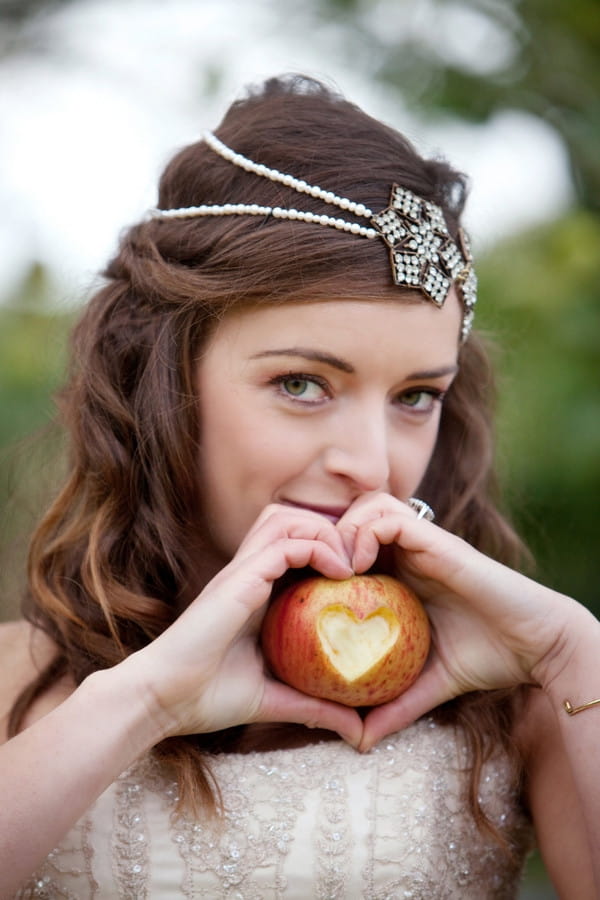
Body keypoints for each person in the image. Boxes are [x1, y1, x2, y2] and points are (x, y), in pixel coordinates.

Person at [1, 74, 598, 899]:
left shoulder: (516, 694)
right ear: (163, 382)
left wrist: (577, 655)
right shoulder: (16, 683)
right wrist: (142, 701)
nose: (374, 463)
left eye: (415, 397)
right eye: (303, 384)